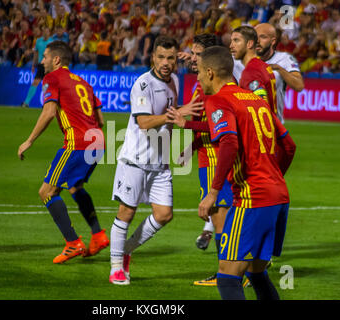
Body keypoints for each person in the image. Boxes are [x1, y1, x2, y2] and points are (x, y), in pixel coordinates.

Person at [196, 45, 296, 300]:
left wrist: (213, 192)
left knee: (227, 276)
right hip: (278, 195)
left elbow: (229, 143)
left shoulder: (219, 100)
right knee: (255, 272)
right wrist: (274, 175)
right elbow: (289, 145)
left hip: (252, 198)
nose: (196, 78)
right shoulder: (255, 99)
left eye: (198, 72)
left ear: (210, 72)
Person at [109, 36, 202, 285]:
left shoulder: (175, 80)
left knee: (163, 215)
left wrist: (182, 109)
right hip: (135, 161)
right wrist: (177, 113)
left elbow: (167, 109)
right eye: (161, 57)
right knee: (126, 213)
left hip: (160, 162)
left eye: (171, 58)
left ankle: (125, 249)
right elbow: (144, 122)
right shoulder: (142, 84)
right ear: (152, 57)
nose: (166, 62)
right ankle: (116, 267)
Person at [17, 41, 109, 264]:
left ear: (56, 60)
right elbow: (101, 120)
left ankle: (72, 243)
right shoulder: (84, 83)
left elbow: (48, 112)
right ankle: (97, 235)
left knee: (47, 192)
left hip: (77, 143)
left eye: (45, 56)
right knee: (75, 186)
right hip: (98, 142)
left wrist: (29, 140)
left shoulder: (52, 78)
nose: (41, 61)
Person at [174, 33, 234, 288]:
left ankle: (228, 274)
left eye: (198, 55)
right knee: (219, 217)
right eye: (192, 53)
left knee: (220, 218)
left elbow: (215, 125)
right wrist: (191, 146)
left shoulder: (211, 87)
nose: (193, 59)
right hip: (205, 154)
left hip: (213, 157)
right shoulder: (206, 83)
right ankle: (235, 270)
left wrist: (184, 122)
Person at [253, 23, 304, 123]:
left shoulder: (284, 59)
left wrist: (279, 69)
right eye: (255, 37)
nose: (257, 41)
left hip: (274, 126)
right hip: (248, 125)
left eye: (263, 37)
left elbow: (299, 85)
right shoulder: (242, 60)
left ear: (273, 41)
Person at [230, 26, 277, 114]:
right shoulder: (263, 66)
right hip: (270, 123)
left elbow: (258, 110)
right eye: (231, 41)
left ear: (249, 44)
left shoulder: (252, 71)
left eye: (236, 40)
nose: (231, 46)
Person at [21, 26, 53, 108]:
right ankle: (26, 102)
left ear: (49, 33)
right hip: (40, 65)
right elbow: (36, 53)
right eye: (44, 31)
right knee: (35, 83)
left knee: (46, 85)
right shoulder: (38, 41)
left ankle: (46, 103)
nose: (45, 33)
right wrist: (33, 65)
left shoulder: (52, 42)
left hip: (49, 65)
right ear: (42, 32)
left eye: (47, 31)